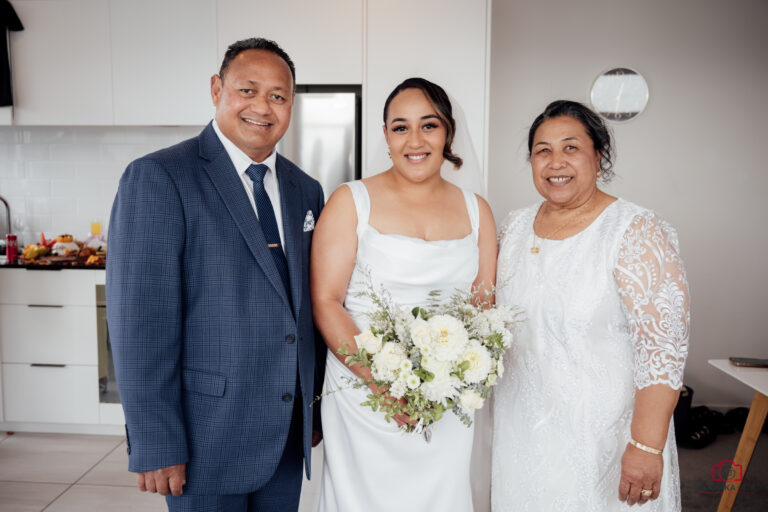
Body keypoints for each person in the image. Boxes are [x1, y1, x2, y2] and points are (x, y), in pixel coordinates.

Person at [107, 38, 325, 512]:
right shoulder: (159, 177)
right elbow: (140, 324)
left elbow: (310, 305)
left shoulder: (305, 189)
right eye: (248, 90)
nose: (262, 107)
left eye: (278, 96)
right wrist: (156, 441)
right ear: (216, 89)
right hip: (205, 435)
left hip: (286, 433)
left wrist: (314, 405)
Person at [492, 100, 690, 511]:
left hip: (604, 441)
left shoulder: (635, 231)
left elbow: (663, 352)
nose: (555, 162)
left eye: (571, 148)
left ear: (598, 156)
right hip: (521, 436)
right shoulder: (512, 229)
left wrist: (646, 446)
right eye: (542, 150)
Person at [310, 77, 497, 511]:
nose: (415, 140)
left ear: (447, 131)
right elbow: (326, 301)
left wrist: (451, 378)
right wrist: (385, 385)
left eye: (428, 125)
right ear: (386, 136)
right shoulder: (350, 201)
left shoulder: (477, 210)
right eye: (400, 127)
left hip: (446, 397)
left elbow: (482, 307)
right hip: (364, 394)